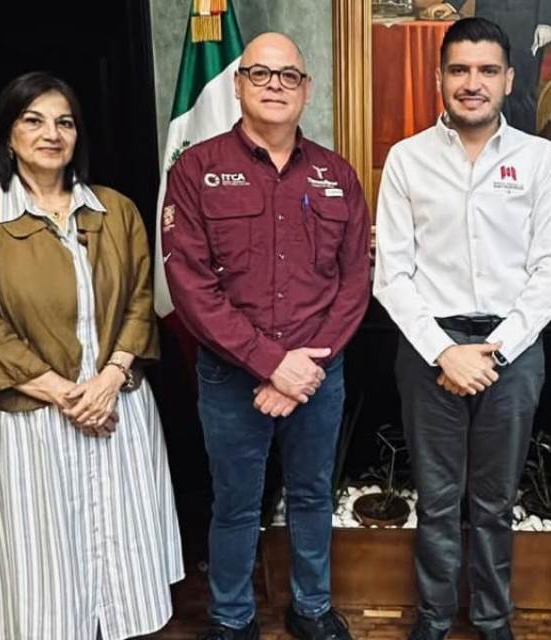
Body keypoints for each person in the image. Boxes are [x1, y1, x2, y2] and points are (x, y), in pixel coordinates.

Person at [0, 71, 183, 640]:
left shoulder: (116, 211)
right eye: (34, 120)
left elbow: (140, 301)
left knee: (116, 549)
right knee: (38, 566)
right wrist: (69, 396)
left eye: (64, 122)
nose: (52, 134)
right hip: (27, 421)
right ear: (7, 136)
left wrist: (109, 379)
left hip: (115, 407)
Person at [162, 33, 370, 640]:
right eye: (261, 73)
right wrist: (270, 363)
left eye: (288, 75)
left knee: (311, 496)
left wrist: (305, 367)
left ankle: (311, 608)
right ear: (238, 84)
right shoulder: (195, 170)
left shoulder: (337, 175)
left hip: (317, 375)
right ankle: (232, 618)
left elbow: (355, 281)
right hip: (230, 377)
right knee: (234, 503)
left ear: (307, 89)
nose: (275, 85)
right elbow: (191, 285)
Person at [374, 17, 551, 640]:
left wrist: (495, 351)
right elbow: (392, 276)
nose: (472, 83)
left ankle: (491, 619)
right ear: (439, 77)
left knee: (494, 501)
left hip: (513, 348)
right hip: (428, 345)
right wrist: (445, 352)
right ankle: (433, 618)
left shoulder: (539, 159)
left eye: (487, 70)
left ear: (509, 79)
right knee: (436, 500)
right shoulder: (407, 160)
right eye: (459, 70)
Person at [421, 0, 551, 133]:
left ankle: (521, 149)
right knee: (485, 90)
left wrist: (546, 22)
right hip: (487, 19)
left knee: (519, 95)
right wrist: (452, 4)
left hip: (526, 24)